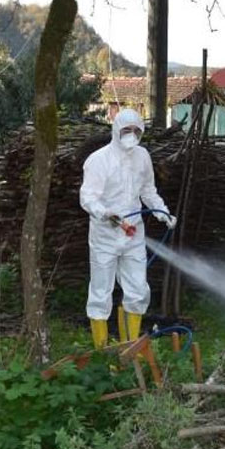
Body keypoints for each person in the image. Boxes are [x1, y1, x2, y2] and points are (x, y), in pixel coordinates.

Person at [79, 108, 176, 349]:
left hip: (134, 233)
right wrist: (105, 213)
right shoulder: (98, 160)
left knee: (138, 289)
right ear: (115, 130)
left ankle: (129, 348)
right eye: (126, 130)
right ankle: (102, 350)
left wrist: (162, 212)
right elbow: (87, 197)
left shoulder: (142, 156)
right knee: (101, 292)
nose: (131, 135)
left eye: (136, 131)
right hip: (105, 235)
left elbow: (148, 190)